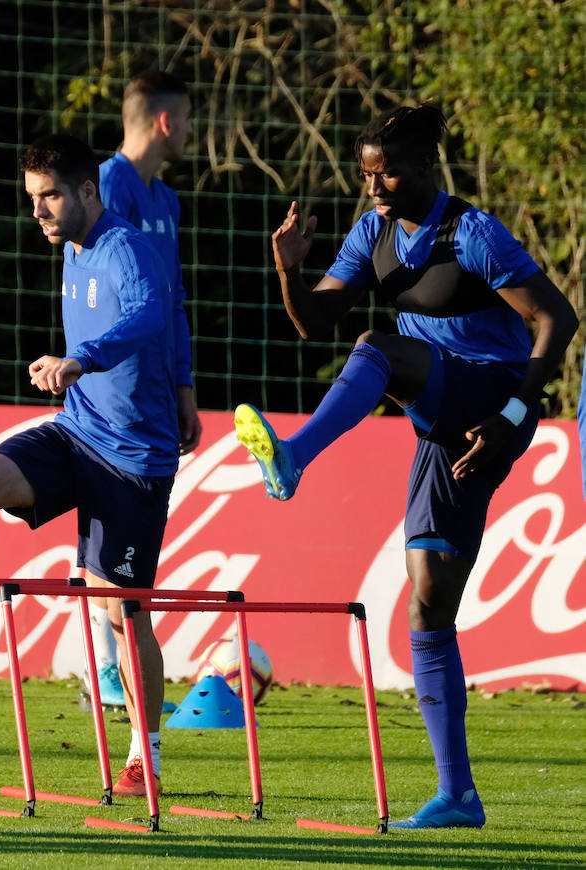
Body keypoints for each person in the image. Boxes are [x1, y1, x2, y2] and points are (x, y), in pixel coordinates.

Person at [235, 104, 577, 829]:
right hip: (443, 427)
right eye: (365, 174)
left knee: (379, 348)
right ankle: (459, 795)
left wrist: (517, 417)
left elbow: (558, 318)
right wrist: (288, 271)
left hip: (492, 400)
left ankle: (292, 458)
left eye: (386, 171)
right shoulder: (374, 233)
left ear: (425, 166)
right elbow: (316, 323)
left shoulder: (472, 232)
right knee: (429, 599)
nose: (375, 187)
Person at [0, 133, 182, 798]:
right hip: (79, 431)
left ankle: (146, 754)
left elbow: (152, 312)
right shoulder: (71, 248)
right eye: (31, 199)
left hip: (135, 457)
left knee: (119, 611)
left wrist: (85, 359)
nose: (38, 211)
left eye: (49, 196)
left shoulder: (125, 246)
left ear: (85, 191)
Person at [82, 69, 201, 708]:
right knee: (106, 525)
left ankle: (101, 669)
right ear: (162, 121)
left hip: (155, 392)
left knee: (116, 529)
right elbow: (98, 290)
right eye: (184, 119)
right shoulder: (107, 184)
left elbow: (172, 300)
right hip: (109, 388)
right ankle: (100, 668)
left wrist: (184, 387)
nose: (189, 131)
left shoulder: (166, 199)